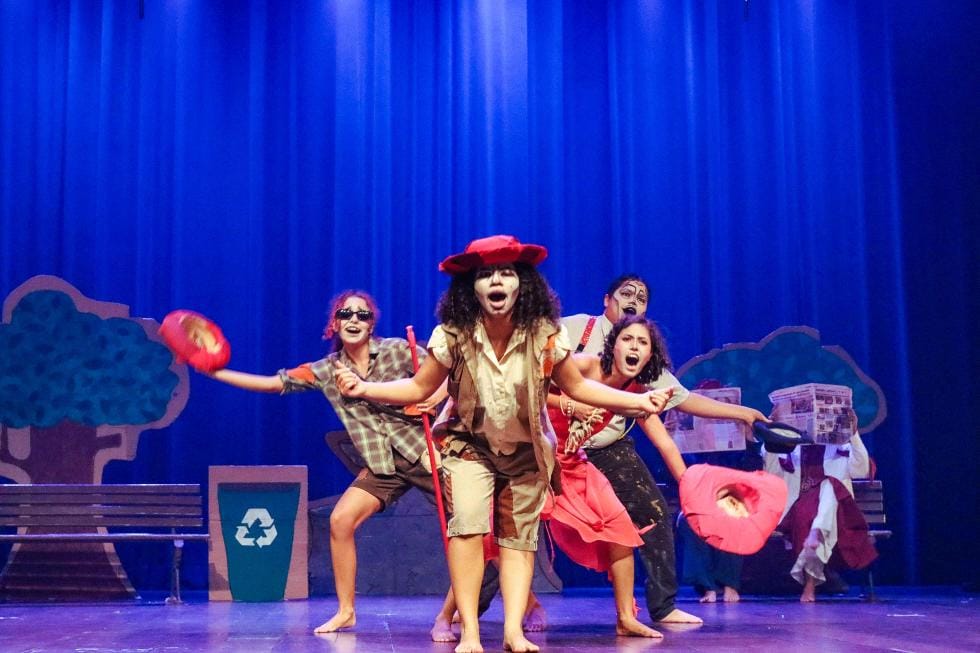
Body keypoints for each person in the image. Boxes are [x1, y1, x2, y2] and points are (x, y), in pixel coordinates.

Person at [333, 236, 672, 653]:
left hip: (526, 450)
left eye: (506, 273)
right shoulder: (454, 334)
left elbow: (578, 387)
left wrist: (637, 402)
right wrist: (365, 388)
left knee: (517, 538)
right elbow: (419, 387)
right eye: (486, 274)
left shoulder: (545, 334)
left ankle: (513, 631)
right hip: (468, 446)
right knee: (468, 527)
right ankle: (470, 633)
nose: (496, 281)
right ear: (472, 286)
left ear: (521, 283)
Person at [200, 290, 458, 639]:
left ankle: (495, 606)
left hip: (424, 451)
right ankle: (346, 611)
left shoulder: (398, 349)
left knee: (469, 529)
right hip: (383, 463)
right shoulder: (325, 370)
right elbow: (274, 384)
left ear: (372, 325)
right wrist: (216, 372)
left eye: (362, 315)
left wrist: (433, 400)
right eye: (345, 314)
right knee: (340, 520)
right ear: (334, 323)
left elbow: (448, 376)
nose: (354, 320)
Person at [561, 273, 768, 624]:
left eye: (641, 299)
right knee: (508, 521)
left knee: (653, 511)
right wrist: (568, 404)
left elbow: (680, 404)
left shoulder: (641, 364)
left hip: (607, 445)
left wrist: (742, 414)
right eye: (626, 294)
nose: (633, 301)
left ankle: (662, 605)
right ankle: (472, 605)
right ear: (606, 300)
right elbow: (535, 370)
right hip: (552, 444)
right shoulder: (577, 331)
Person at [544, 315, 689, 638]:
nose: (634, 347)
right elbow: (529, 388)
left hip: (571, 463)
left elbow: (664, 442)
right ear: (613, 345)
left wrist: (690, 487)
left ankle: (626, 618)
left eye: (642, 343)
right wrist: (569, 405)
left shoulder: (635, 392)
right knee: (498, 536)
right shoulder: (585, 365)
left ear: (650, 356)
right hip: (536, 455)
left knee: (620, 526)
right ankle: (452, 613)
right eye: (628, 339)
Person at [763, 411, 877, 602]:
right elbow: (771, 474)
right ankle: (815, 537)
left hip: (838, 514)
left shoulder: (839, 446)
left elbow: (862, 470)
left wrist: (854, 432)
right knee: (812, 511)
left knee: (830, 487)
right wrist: (773, 431)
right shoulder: (791, 447)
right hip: (799, 510)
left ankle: (814, 542)